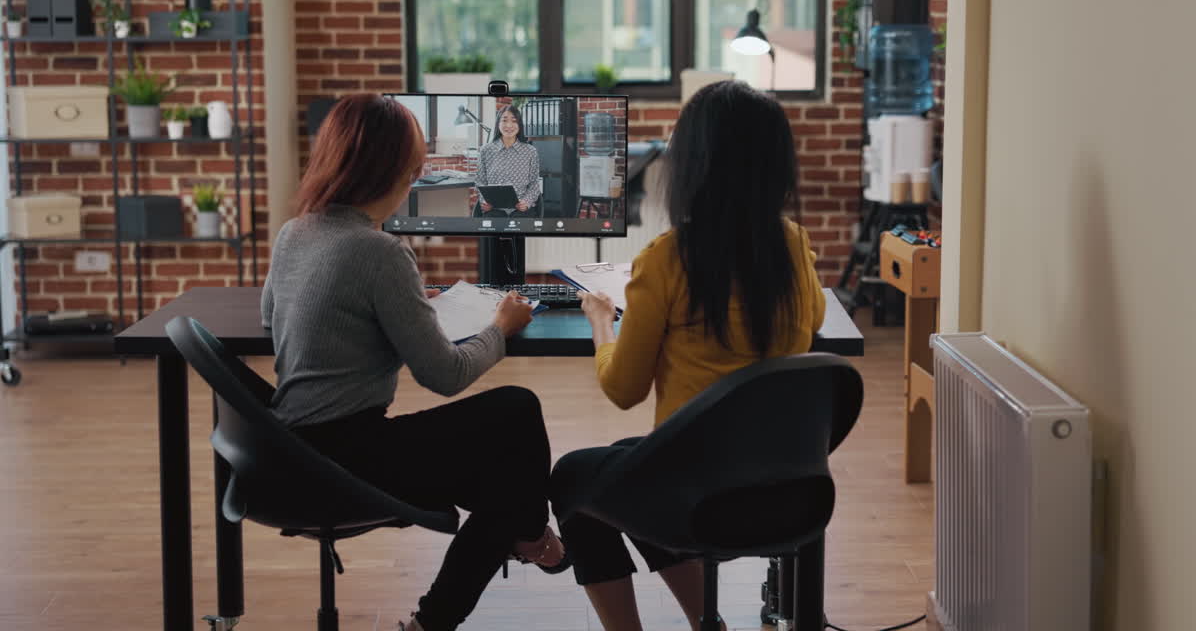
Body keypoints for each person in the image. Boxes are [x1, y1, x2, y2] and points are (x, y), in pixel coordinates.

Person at [260, 94, 568, 631]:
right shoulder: (378, 252)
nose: (417, 172)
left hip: (287, 450)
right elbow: (444, 376)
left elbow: (271, 320)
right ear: (395, 170)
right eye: (414, 163)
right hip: (348, 456)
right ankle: (525, 538)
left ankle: (518, 539)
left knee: (506, 483)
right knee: (516, 412)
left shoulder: (295, 232)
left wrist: (387, 310)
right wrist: (501, 327)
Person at [550, 81, 827, 631]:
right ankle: (707, 623)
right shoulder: (793, 245)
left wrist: (602, 322)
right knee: (635, 459)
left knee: (574, 481)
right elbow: (813, 321)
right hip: (787, 486)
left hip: (698, 494)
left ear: (694, 166)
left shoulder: (667, 260)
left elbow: (624, 389)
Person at [475, 104, 541, 217]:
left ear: (519, 124)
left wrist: (527, 202)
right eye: (504, 120)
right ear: (498, 124)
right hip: (494, 209)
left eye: (514, 121)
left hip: (521, 210)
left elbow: (534, 184)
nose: (509, 125)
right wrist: (484, 201)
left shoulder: (530, 151)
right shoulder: (486, 150)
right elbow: (480, 181)